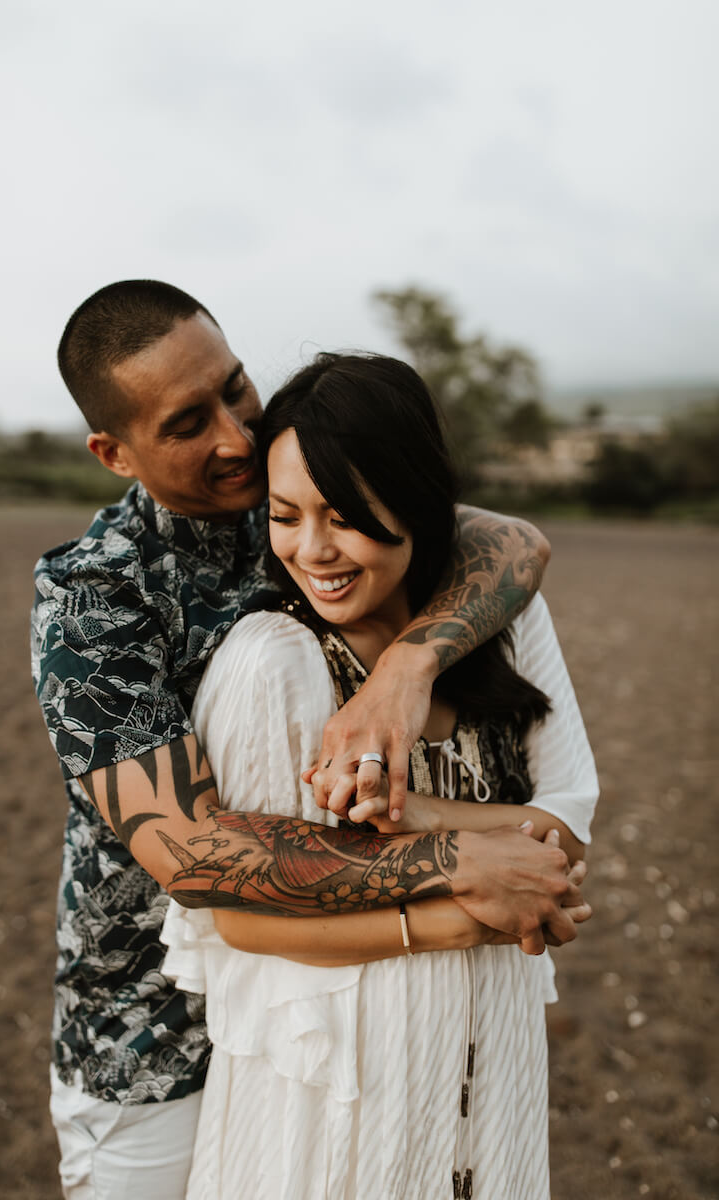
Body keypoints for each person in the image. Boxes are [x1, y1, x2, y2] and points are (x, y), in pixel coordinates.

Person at [31, 281, 586, 1199]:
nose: (235, 434)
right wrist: (455, 862)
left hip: (320, 1009)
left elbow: (511, 543)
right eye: (185, 423)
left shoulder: (284, 501)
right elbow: (196, 857)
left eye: (234, 387)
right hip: (151, 1043)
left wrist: (405, 674)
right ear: (112, 453)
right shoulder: (93, 598)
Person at [161, 352, 598, 1199]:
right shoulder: (273, 660)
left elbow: (566, 830)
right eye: (284, 516)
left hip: (496, 1055)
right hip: (337, 1084)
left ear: (418, 504)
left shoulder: (501, 617)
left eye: (346, 516)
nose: (312, 550)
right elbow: (242, 921)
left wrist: (404, 813)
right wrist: (468, 910)